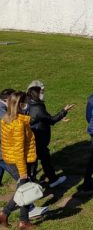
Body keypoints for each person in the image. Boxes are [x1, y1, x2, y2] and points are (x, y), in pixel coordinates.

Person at [0, 89, 48, 220]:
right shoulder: (18, 124)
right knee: (26, 190)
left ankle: (17, 218)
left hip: (12, 159)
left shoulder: (6, 119)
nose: (28, 105)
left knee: (25, 189)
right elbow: (19, 149)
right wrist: (23, 172)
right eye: (26, 102)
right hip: (23, 161)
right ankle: (10, 215)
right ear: (20, 105)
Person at [27, 85, 74, 188]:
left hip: (34, 138)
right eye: (41, 93)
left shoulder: (30, 104)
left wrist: (60, 118)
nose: (43, 95)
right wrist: (64, 111)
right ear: (37, 94)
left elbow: (46, 118)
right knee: (44, 159)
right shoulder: (38, 108)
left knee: (36, 161)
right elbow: (51, 120)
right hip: (39, 138)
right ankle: (52, 180)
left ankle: (33, 181)